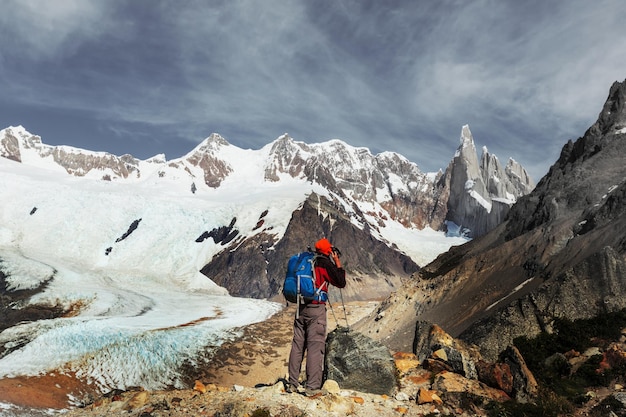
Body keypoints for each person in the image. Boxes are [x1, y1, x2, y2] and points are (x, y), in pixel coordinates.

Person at [287, 237, 346, 395]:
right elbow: (340, 282)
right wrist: (337, 261)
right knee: (315, 347)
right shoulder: (324, 263)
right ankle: (312, 388)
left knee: (297, 346)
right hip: (316, 309)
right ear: (328, 251)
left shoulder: (307, 259)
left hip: (301, 307)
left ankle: (292, 384)